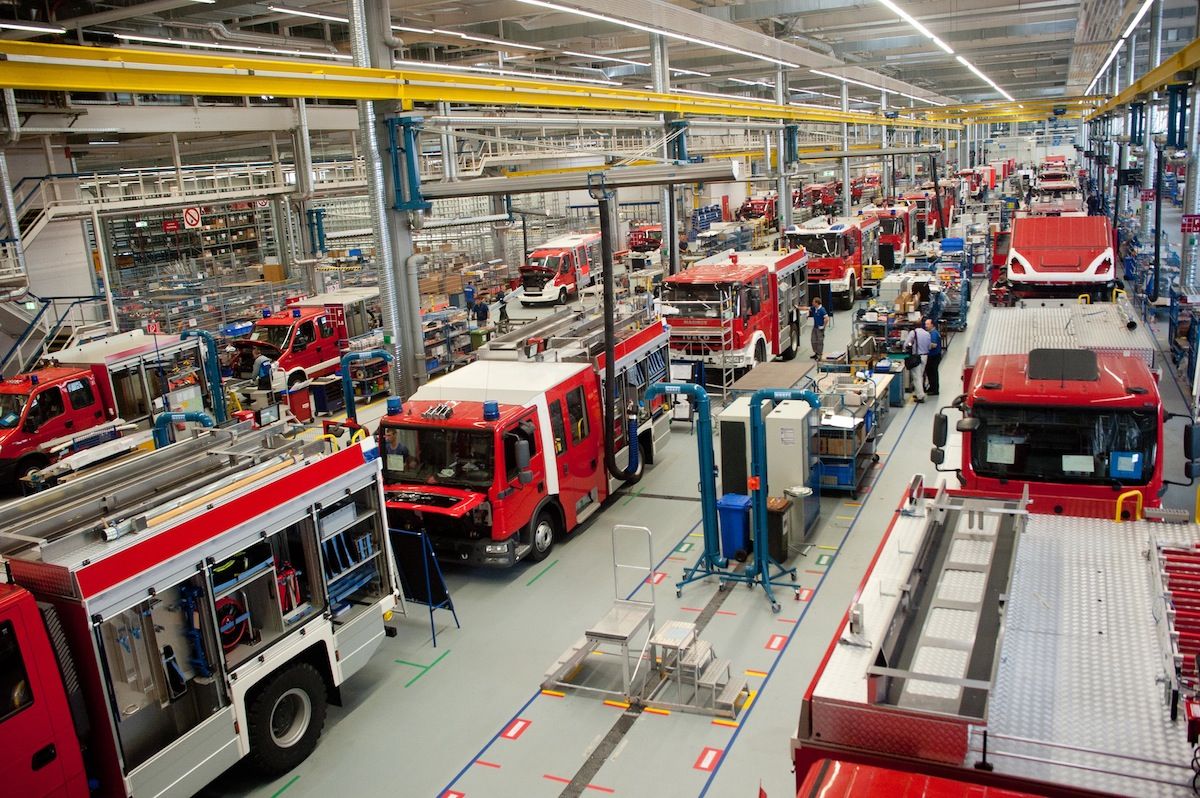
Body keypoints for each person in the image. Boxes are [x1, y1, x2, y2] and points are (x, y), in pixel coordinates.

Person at [904, 322, 933, 403]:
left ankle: (920, 396)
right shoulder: (927, 333)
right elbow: (929, 346)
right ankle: (918, 393)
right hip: (925, 356)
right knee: (921, 375)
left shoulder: (913, 333)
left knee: (917, 377)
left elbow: (906, 344)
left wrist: (906, 347)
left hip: (916, 357)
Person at [803, 296, 829, 361]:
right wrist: (798, 307)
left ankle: (819, 355)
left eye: (813, 302)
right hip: (815, 327)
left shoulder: (822, 310)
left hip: (820, 328)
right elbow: (806, 308)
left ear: (817, 303)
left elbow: (826, 318)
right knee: (813, 340)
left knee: (820, 341)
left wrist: (823, 326)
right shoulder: (814, 308)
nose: (812, 303)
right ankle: (816, 353)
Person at [924, 318, 942, 396]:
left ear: (932, 325)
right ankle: (932, 387)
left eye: (927, 324)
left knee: (933, 373)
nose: (926, 326)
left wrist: (925, 346)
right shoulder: (931, 333)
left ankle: (935, 390)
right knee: (930, 372)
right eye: (925, 324)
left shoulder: (934, 333)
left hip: (934, 356)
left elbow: (934, 345)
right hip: (932, 356)